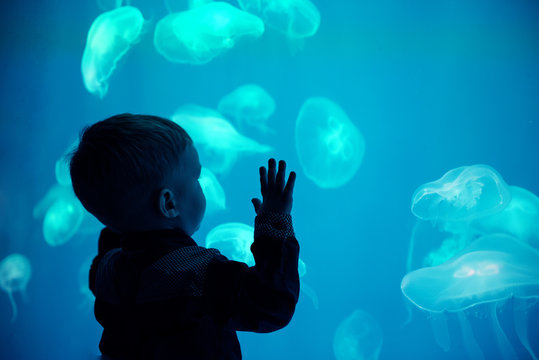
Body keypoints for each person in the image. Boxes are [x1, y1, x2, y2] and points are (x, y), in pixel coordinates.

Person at [69, 114, 300, 360]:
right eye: (197, 178)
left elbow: (113, 244)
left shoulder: (108, 268)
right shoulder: (196, 275)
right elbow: (272, 303)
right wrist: (274, 223)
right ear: (169, 203)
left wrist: (118, 221)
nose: (203, 185)